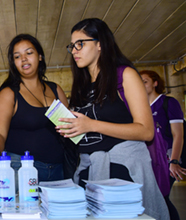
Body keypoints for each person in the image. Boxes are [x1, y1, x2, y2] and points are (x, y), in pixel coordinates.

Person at [57, 18, 169, 219]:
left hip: (122, 173)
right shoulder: (82, 85)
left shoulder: (124, 75)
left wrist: (90, 125)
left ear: (100, 44)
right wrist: (71, 128)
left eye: (80, 44)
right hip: (88, 170)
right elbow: (86, 131)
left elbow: (146, 130)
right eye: (71, 46)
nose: (74, 50)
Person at [0, 34, 68, 183]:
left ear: (40, 56)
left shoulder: (55, 89)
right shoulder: (9, 93)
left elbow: (71, 130)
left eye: (29, 53)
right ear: (14, 63)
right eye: (17, 56)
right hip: (21, 169)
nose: (24, 59)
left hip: (58, 169)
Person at [140, 70, 186, 220]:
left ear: (155, 83)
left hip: (167, 157)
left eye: (145, 81)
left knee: (162, 198)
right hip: (151, 160)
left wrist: (174, 161)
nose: (141, 84)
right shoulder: (141, 107)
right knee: (154, 199)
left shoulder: (168, 103)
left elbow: (178, 134)